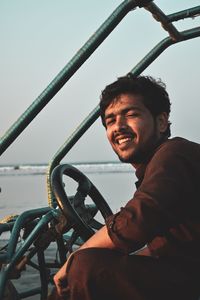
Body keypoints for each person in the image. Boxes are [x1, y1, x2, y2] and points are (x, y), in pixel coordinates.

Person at [50, 75, 200, 300]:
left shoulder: (174, 154)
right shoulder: (154, 169)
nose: (118, 127)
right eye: (110, 121)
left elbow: (137, 219)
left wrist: (76, 258)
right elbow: (161, 245)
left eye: (131, 115)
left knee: (85, 268)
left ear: (161, 122)